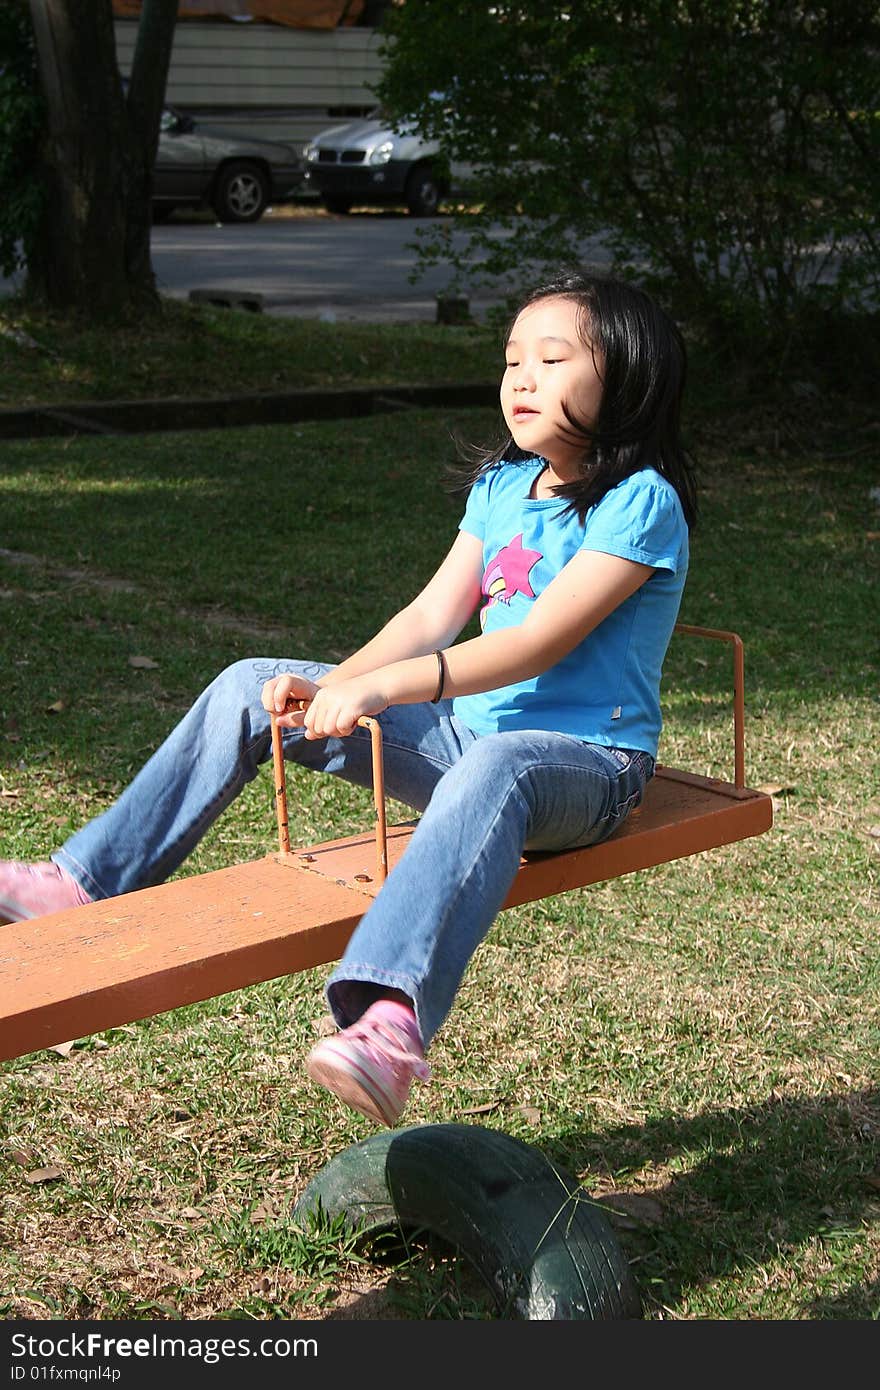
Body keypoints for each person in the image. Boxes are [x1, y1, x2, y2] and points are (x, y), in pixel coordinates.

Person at [0, 272, 697, 1129]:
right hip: (462, 743)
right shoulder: (503, 488)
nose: (521, 378)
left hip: (585, 765)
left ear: (626, 380)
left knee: (504, 764)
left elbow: (533, 642)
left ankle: (391, 1025)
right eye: (512, 359)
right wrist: (333, 689)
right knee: (249, 687)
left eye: (551, 360)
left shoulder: (641, 504)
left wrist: (378, 688)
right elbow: (431, 616)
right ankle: (83, 880)